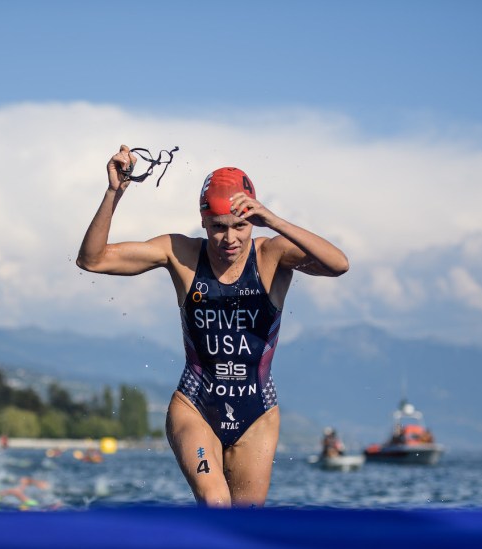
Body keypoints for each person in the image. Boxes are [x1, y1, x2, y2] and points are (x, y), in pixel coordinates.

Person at [77, 145, 349, 507]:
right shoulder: (181, 253)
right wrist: (115, 192)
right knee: (215, 502)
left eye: (241, 226)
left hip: (258, 414)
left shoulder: (272, 255)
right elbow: (92, 260)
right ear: (203, 222)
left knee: (245, 525)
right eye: (218, 228)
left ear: (254, 220)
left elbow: (338, 264)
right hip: (195, 406)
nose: (230, 239)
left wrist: (274, 221)